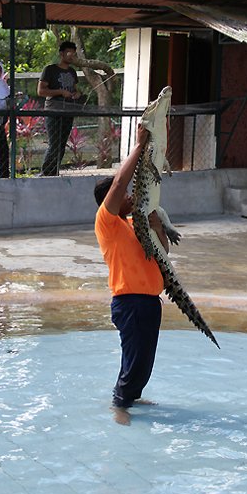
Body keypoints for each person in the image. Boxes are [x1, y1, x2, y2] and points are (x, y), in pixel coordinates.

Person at [94, 124, 169, 424]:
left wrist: (157, 227)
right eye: (124, 193)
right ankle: (120, 404)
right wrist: (138, 147)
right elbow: (117, 185)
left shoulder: (132, 224)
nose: (129, 195)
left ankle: (131, 395)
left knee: (143, 360)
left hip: (150, 301)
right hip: (130, 302)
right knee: (136, 359)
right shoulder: (106, 222)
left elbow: (163, 253)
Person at [37, 41, 82, 176]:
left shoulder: (72, 72)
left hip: (68, 110)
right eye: (69, 53)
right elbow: (41, 91)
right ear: (61, 54)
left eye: (74, 54)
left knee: (62, 144)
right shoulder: (50, 69)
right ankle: (46, 172)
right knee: (54, 143)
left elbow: (74, 89)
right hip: (53, 110)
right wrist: (60, 92)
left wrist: (76, 94)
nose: (71, 56)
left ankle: (54, 171)